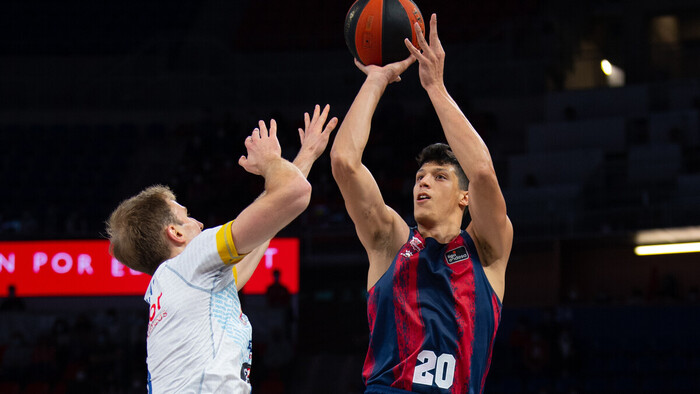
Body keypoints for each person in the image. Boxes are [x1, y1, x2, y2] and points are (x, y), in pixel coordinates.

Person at [330, 14, 513, 394]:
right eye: (420, 177)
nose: (424, 182)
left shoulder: (487, 249)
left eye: (440, 176)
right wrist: (376, 80)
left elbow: (481, 173)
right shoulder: (392, 242)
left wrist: (435, 87)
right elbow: (345, 163)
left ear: (465, 198)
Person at [106, 105, 337, 393]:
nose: (199, 223)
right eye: (187, 216)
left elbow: (266, 225)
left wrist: (306, 156)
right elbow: (295, 194)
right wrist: (270, 163)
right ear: (175, 233)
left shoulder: (177, 284)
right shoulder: (191, 260)